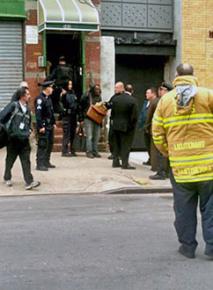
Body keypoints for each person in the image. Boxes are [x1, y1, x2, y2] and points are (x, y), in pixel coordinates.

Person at [152, 63, 213, 259]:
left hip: (180, 168)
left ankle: (187, 247)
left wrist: (169, 153)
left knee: (183, 210)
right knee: (211, 210)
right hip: (209, 167)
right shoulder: (208, 95)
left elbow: (157, 133)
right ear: (193, 75)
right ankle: (212, 249)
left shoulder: (165, 101)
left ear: (176, 76)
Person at [0, 87, 40, 190]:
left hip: (24, 140)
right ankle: (7, 177)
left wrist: (30, 130)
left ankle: (29, 182)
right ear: (22, 96)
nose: (29, 96)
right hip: (13, 139)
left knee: (26, 161)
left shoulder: (28, 110)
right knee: (10, 160)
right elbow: (1, 117)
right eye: (27, 94)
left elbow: (28, 123)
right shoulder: (13, 106)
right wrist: (6, 131)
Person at [106, 82, 138, 169]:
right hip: (126, 127)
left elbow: (112, 112)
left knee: (116, 144)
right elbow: (134, 116)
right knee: (126, 145)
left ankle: (115, 162)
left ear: (122, 88)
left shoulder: (115, 99)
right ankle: (125, 164)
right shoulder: (132, 100)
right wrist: (131, 126)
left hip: (115, 126)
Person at [149, 82, 173, 180]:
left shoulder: (164, 101)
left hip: (165, 130)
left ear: (166, 91)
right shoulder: (173, 100)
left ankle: (162, 172)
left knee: (161, 151)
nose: (160, 91)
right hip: (170, 130)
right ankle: (166, 172)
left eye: (162, 90)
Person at [35, 80, 56, 171]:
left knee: (49, 143)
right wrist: (40, 127)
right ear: (47, 88)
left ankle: (46, 161)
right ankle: (40, 164)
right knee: (42, 144)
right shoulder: (40, 99)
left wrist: (53, 122)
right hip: (43, 125)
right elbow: (38, 115)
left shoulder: (48, 98)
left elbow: (51, 112)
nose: (52, 89)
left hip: (49, 125)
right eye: (51, 87)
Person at [60, 80, 82, 157]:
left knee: (73, 133)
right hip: (67, 116)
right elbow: (62, 104)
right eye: (69, 84)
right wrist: (63, 95)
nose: (70, 85)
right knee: (67, 133)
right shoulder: (63, 93)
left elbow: (76, 104)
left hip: (73, 115)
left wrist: (79, 116)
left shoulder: (73, 93)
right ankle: (64, 151)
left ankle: (72, 149)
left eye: (71, 84)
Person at [80, 84, 102, 158]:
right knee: (89, 136)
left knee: (96, 136)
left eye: (98, 89)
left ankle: (95, 151)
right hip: (88, 118)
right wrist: (87, 91)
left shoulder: (99, 97)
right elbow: (81, 102)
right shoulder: (87, 96)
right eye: (96, 89)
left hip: (97, 118)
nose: (98, 90)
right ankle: (89, 151)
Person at [143, 87, 158, 170]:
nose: (146, 94)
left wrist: (147, 126)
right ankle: (150, 160)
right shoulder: (147, 103)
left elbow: (150, 116)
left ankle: (154, 164)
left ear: (153, 93)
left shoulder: (155, 102)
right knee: (148, 145)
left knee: (153, 147)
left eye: (148, 93)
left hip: (152, 127)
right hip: (147, 127)